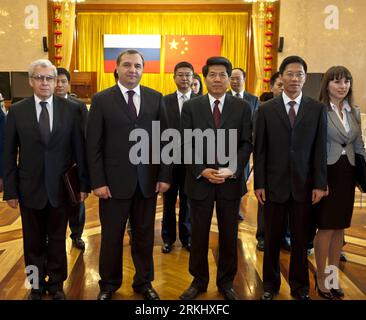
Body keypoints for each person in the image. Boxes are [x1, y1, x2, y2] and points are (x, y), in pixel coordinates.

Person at [87, 49, 171, 300]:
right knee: (111, 237)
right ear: (117, 68)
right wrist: (98, 182)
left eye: (137, 65)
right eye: (127, 65)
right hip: (112, 185)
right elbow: (94, 145)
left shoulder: (156, 99)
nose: (132, 70)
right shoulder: (101, 99)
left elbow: (165, 141)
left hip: (147, 183)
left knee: (145, 237)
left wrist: (164, 176)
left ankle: (144, 283)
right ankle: (108, 285)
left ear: (143, 69)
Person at [3, 59, 89, 300]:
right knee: (32, 243)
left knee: (58, 239)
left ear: (56, 82)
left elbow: (79, 150)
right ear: (31, 81)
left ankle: (57, 284)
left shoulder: (70, 109)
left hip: (61, 189)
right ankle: (36, 284)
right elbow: (8, 153)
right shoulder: (17, 111)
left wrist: (83, 185)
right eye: (39, 78)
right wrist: (10, 190)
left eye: (49, 78)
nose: (44, 83)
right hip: (29, 188)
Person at [254, 55, 327, 300]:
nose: (295, 78)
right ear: (281, 77)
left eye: (300, 74)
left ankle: (300, 287)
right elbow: (260, 150)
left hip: (304, 186)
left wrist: (319, 183)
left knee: (300, 242)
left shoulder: (317, 109)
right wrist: (259, 184)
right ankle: (270, 286)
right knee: (272, 239)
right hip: (274, 186)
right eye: (290, 74)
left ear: (305, 79)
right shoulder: (265, 109)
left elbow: (320, 150)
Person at [180, 56, 252, 300]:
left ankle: (226, 283)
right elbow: (184, 143)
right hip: (200, 180)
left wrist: (232, 169)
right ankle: (198, 281)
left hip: (229, 181)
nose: (218, 79)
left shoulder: (242, 107)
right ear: (205, 77)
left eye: (223, 75)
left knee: (229, 234)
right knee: (198, 234)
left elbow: (246, 143)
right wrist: (201, 169)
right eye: (213, 74)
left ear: (229, 79)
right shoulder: (192, 106)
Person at [313, 66, 365, 299]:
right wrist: (319, 180)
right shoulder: (318, 111)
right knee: (325, 228)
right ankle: (321, 278)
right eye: (336, 82)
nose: (342, 86)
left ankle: (333, 279)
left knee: (339, 229)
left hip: (347, 175)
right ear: (327, 85)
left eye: (346, 81)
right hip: (327, 174)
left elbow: (359, 145)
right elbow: (314, 149)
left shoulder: (354, 111)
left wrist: (362, 176)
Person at [161, 61, 196, 254]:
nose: (184, 78)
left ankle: (187, 237)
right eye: (180, 75)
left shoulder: (202, 101)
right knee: (168, 202)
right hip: (169, 162)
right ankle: (167, 238)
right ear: (174, 77)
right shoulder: (164, 101)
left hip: (193, 163)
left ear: (193, 78)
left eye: (188, 75)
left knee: (188, 201)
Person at [55, 67, 88, 251]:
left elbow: (85, 137)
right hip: (52, 166)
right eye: (56, 81)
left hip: (74, 165)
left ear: (68, 84)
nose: (59, 85)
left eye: (63, 81)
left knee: (77, 203)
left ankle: (77, 235)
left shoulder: (78, 106)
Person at [255, 72, 284, 251]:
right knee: (265, 204)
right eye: (279, 85)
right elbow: (258, 143)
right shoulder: (264, 110)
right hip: (269, 167)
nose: (282, 88)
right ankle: (263, 236)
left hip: (291, 168)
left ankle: (285, 236)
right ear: (271, 87)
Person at [228, 67, 259, 221]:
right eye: (231, 78)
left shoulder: (253, 99)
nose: (234, 81)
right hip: (225, 147)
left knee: (241, 177)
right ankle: (229, 209)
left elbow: (256, 123)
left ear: (244, 79)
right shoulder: (224, 97)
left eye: (237, 78)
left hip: (244, 147)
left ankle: (237, 207)